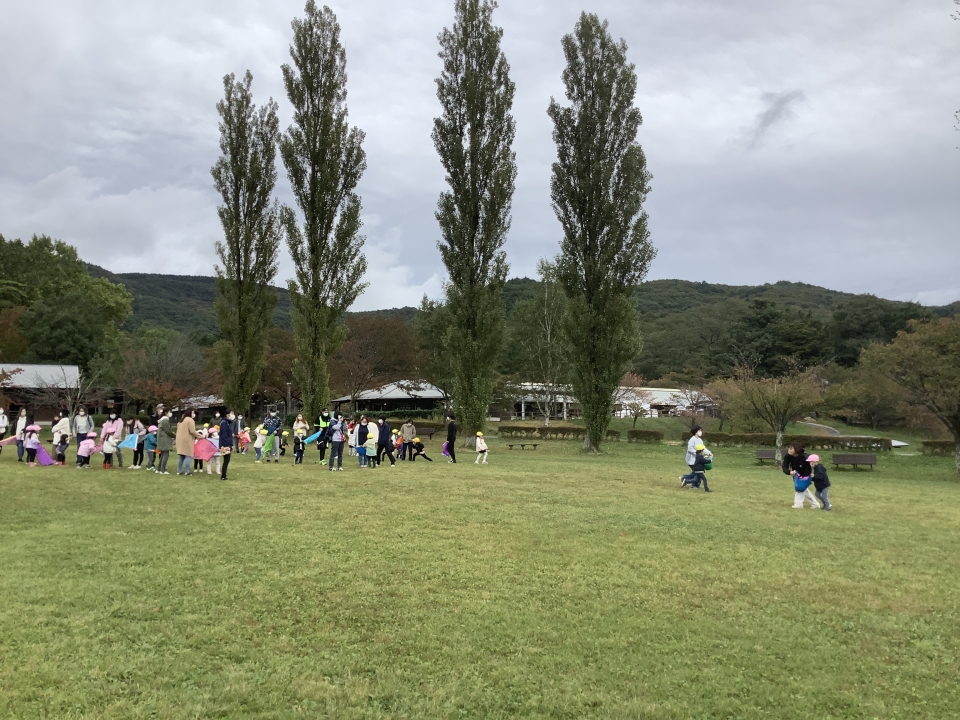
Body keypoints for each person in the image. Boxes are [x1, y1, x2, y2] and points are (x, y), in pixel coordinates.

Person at [782, 442, 819, 509]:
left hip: (806, 475)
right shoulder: (788, 456)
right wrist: (789, 472)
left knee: (800, 488)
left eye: (791, 449)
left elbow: (812, 466)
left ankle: (798, 504)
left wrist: (804, 477)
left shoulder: (805, 457)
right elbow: (784, 466)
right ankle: (815, 504)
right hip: (796, 475)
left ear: (796, 449)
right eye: (789, 448)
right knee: (803, 489)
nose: (789, 450)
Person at [175, 408, 200, 476]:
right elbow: (192, 431)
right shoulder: (190, 420)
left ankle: (179, 471)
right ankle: (187, 471)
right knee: (188, 455)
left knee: (181, 456)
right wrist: (200, 436)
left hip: (180, 440)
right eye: (193, 413)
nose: (194, 414)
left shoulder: (181, 420)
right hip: (187, 440)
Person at [156, 408, 175, 475]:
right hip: (165, 439)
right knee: (165, 455)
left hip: (161, 439)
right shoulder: (165, 420)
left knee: (163, 455)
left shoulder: (161, 420)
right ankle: (163, 470)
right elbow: (168, 431)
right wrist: (174, 435)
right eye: (169, 412)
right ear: (166, 413)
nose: (170, 413)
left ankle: (159, 469)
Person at [219, 412, 234, 481]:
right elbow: (224, 435)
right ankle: (223, 476)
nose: (233, 415)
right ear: (227, 415)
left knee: (227, 460)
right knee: (226, 460)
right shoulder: (224, 423)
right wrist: (228, 445)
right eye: (231, 413)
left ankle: (224, 475)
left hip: (227, 444)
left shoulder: (227, 422)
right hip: (225, 445)